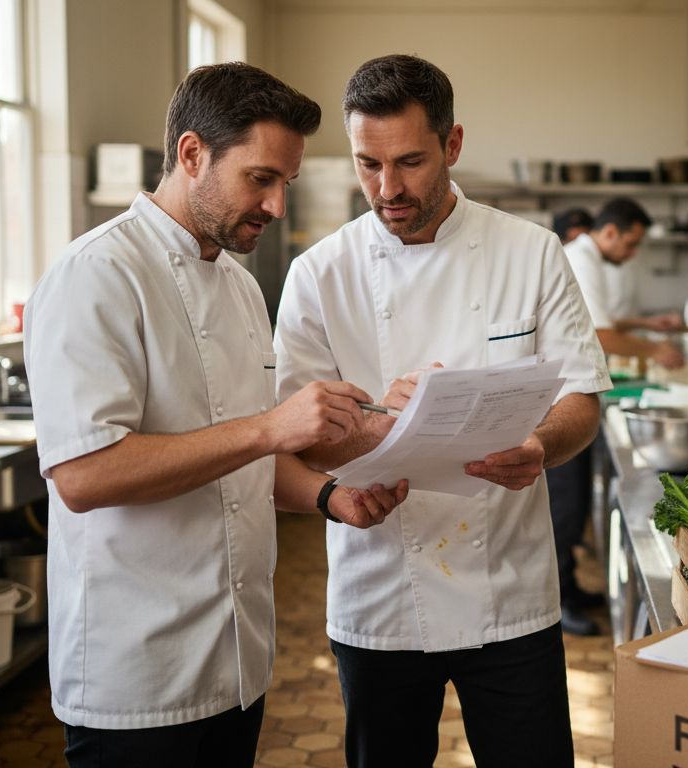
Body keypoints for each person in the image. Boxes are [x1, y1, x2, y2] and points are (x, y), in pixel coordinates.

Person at [23, 63, 407, 768]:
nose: (277, 205)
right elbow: (82, 475)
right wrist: (271, 428)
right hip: (137, 671)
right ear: (193, 153)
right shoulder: (97, 275)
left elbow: (243, 462)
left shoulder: (238, 285)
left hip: (236, 661)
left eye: (286, 182)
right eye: (261, 178)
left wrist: (330, 495)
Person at [273, 54, 608, 768]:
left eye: (410, 162)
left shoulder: (531, 253)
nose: (387, 188)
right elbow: (295, 439)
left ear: (452, 145)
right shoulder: (319, 275)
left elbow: (581, 398)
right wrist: (377, 423)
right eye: (368, 164)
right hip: (380, 589)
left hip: (509, 588)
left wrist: (540, 446)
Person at [562, 197, 686, 370]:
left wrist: (645, 323)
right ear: (610, 232)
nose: (633, 253)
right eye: (630, 244)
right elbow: (599, 335)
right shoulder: (582, 261)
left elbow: (592, 325)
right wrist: (656, 351)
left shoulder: (587, 256)